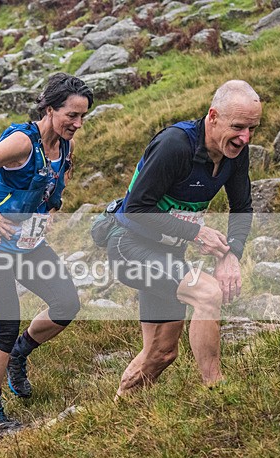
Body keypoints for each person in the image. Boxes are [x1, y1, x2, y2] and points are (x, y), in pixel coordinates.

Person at [0, 73, 92, 429]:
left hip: (29, 245)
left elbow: (57, 182)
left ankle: (20, 354)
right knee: (5, 324)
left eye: (82, 117)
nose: (77, 124)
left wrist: (48, 212)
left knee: (66, 304)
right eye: (71, 115)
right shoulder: (21, 143)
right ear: (48, 109)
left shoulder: (64, 146)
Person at [107, 80, 260, 397]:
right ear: (213, 116)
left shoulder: (235, 152)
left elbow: (242, 206)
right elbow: (136, 208)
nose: (245, 138)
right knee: (207, 293)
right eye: (238, 127)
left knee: (162, 353)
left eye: (252, 129)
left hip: (167, 254)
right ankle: (218, 392)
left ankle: (121, 405)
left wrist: (232, 255)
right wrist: (196, 232)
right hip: (130, 246)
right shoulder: (175, 146)